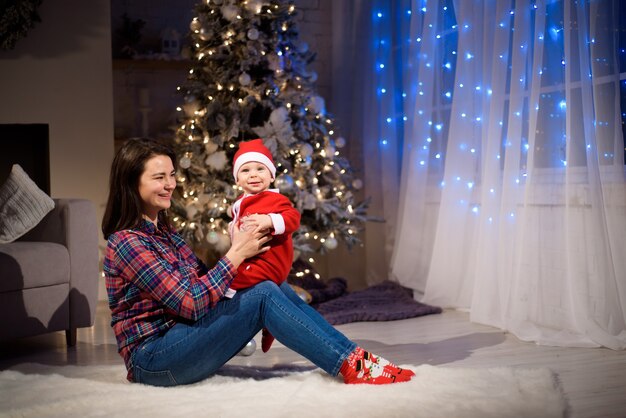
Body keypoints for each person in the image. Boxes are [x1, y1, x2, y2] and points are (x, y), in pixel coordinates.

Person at [102, 137, 414, 387]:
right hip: (155, 359)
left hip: (183, 339)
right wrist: (237, 253)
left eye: (172, 175)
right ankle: (350, 363)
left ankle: (352, 357)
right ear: (132, 183)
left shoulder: (167, 234)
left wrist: (246, 262)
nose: (170, 184)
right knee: (263, 294)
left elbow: (203, 283)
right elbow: (191, 303)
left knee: (269, 284)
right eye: (159, 177)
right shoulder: (127, 241)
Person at [228, 139, 301, 353]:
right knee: (241, 281)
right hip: (256, 259)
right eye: (246, 170)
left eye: (261, 169)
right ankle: (268, 325)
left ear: (271, 176)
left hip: (271, 261)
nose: (253, 174)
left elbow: (293, 218)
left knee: (232, 283)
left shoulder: (273, 199)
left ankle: (229, 311)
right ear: (237, 179)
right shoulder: (241, 202)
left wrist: (269, 221)